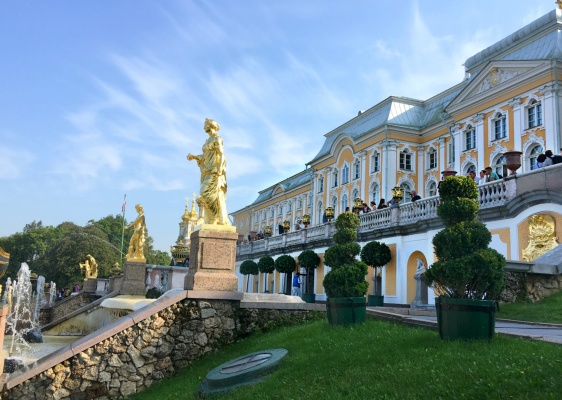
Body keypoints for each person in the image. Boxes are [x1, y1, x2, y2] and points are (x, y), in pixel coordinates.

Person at [187, 118, 230, 226]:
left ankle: (215, 216)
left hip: (215, 170)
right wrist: (195, 157)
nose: (203, 127)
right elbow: (206, 157)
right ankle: (212, 218)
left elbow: (221, 154)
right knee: (205, 194)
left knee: (205, 192)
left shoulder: (217, 138)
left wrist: (220, 169)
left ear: (210, 126)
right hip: (207, 170)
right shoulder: (207, 141)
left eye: (205, 125)